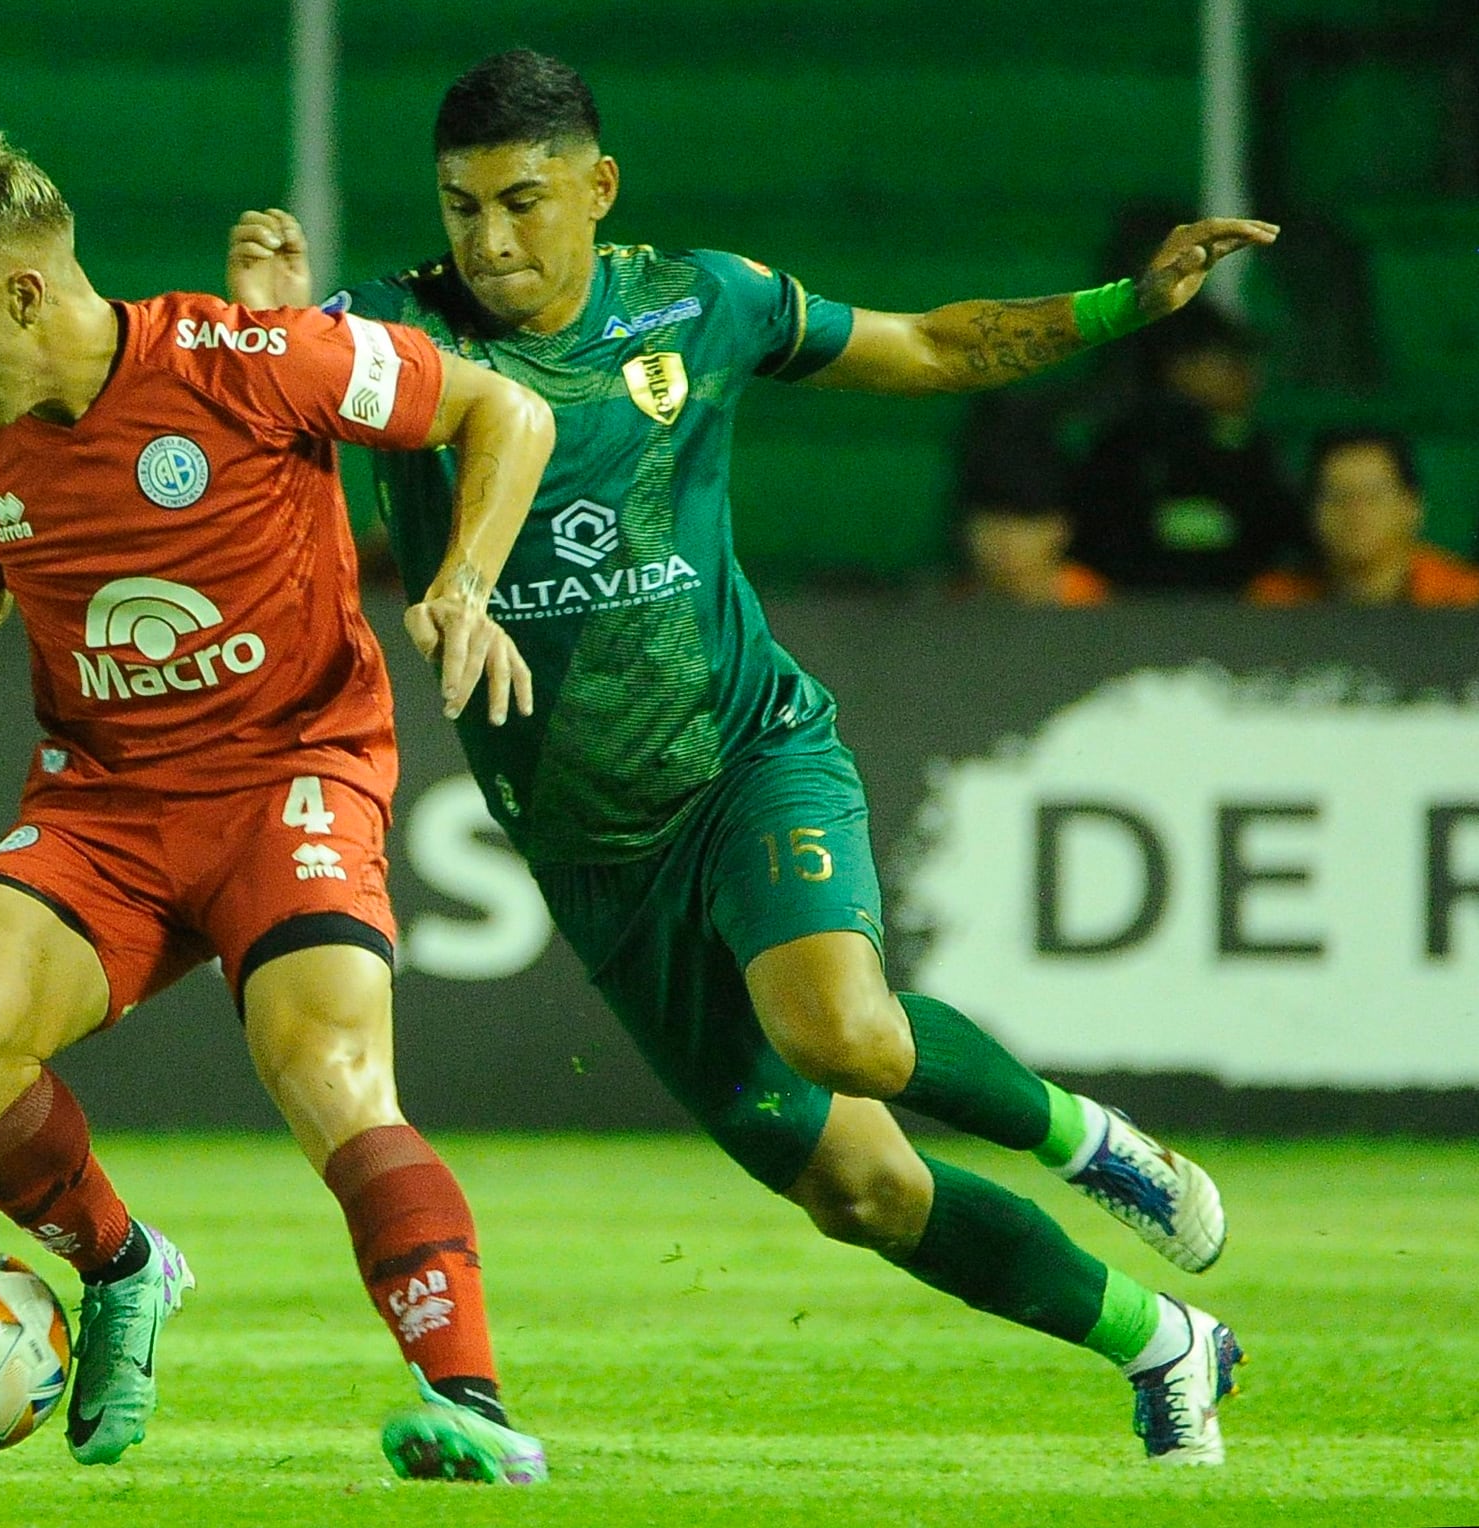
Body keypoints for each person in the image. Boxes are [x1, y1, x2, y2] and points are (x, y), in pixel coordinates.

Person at [229, 49, 1272, 1464]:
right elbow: (231, 432)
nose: (489, 240)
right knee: (858, 1192)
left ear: (597, 190)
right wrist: (264, 335)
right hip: (594, 859)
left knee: (836, 1027)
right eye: (461, 206)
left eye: (524, 202)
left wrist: (1120, 307)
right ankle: (1164, 1347)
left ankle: (1086, 1144)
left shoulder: (701, 300)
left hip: (744, 760)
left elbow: (933, 347)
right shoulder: (395, 338)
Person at [0, 136, 557, 1484]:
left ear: (20, 295)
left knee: (326, 1069)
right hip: (104, 808)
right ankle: (125, 1271)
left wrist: (464, 586)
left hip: (287, 775)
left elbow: (503, 414)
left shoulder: (243, 363)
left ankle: (469, 1403)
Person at [1069, 301, 1304, 592]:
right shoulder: (1123, 451)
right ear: (1179, 366)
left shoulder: (1250, 448)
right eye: (1229, 360)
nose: (1247, 375)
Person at [1249, 428, 1479, 607]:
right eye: (1338, 496)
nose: (1356, 512)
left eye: (1375, 495)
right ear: (1313, 511)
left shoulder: (1467, 599)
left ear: (1413, 507)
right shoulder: (1274, 602)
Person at [952, 398, 1109, 606]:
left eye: (1024, 521)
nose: (1004, 542)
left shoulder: (1094, 605)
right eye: (990, 520)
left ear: (1060, 528)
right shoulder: (955, 606)